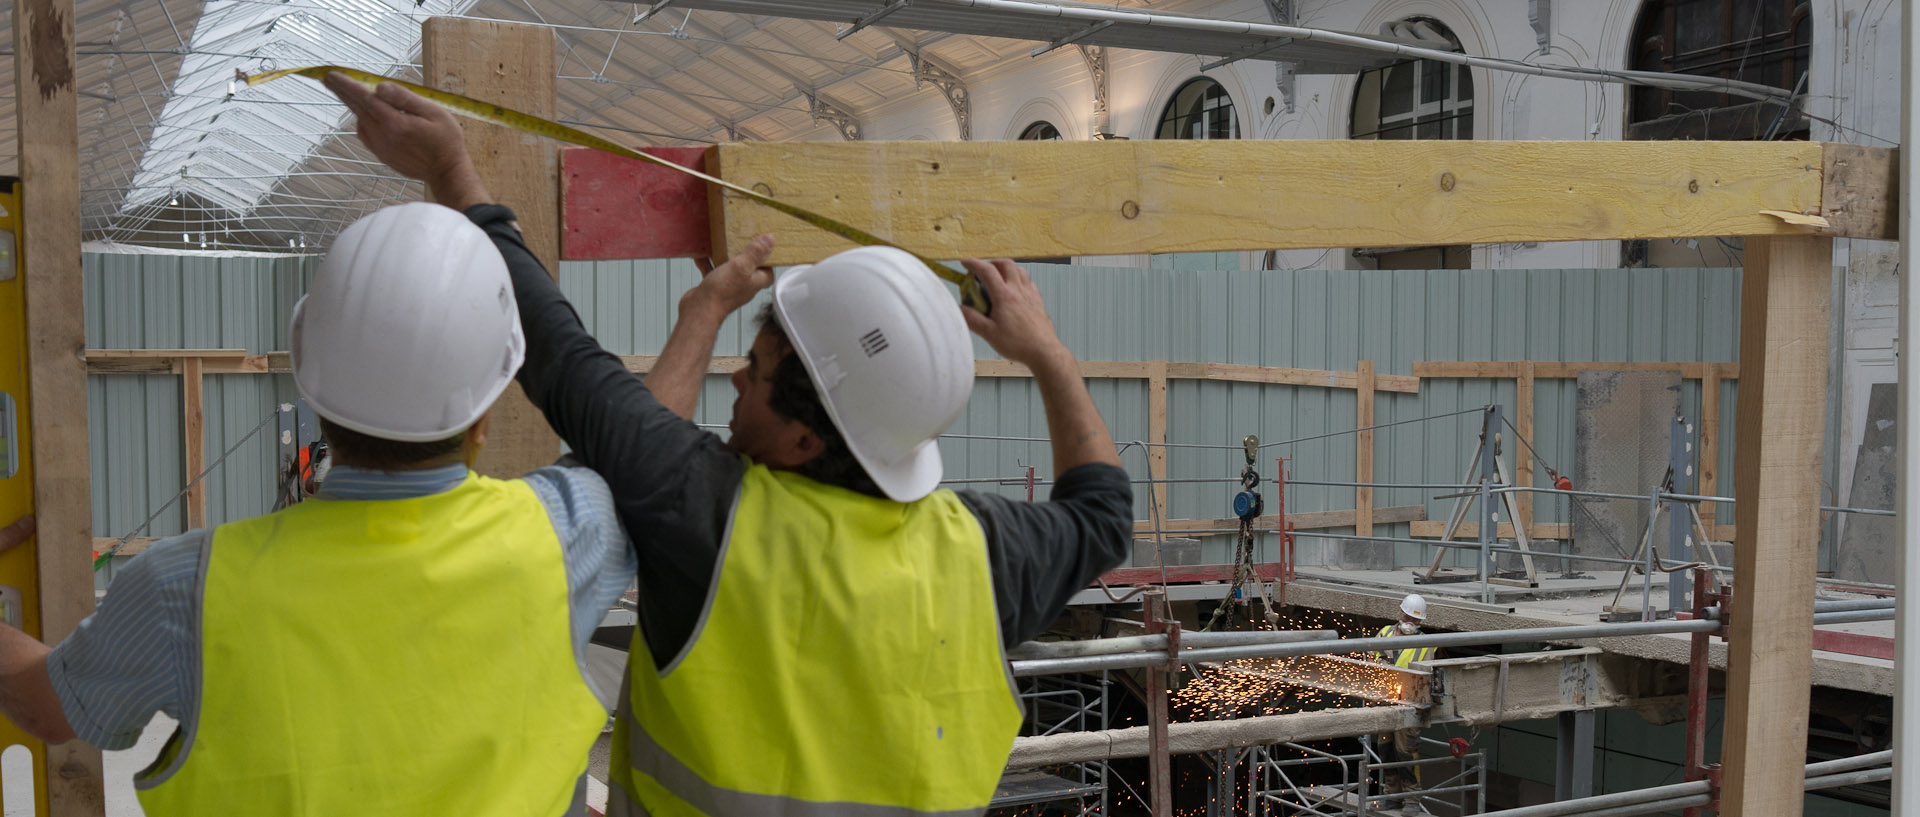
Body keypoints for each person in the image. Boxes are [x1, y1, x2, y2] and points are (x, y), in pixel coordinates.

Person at [326, 74, 1135, 816]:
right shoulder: (985, 554)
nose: (736, 383)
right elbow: (1102, 513)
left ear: (804, 437)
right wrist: (1049, 354)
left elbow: (561, 355)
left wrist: (452, 175)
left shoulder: (708, 515)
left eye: (754, 368)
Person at [0, 203, 636, 815]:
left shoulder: (185, 588)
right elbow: (645, 445)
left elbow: (44, 708)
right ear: (483, 415)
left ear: (312, 388)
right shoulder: (567, 532)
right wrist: (703, 311)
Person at [1372, 593, 1435, 813]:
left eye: (1415, 621)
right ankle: (1392, 794)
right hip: (1385, 702)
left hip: (1409, 705)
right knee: (1385, 748)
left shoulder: (1425, 643)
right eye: (1408, 617)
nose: (1410, 623)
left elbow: (1426, 677)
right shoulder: (1384, 633)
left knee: (1405, 750)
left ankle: (1411, 798)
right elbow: (1371, 658)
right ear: (1400, 613)